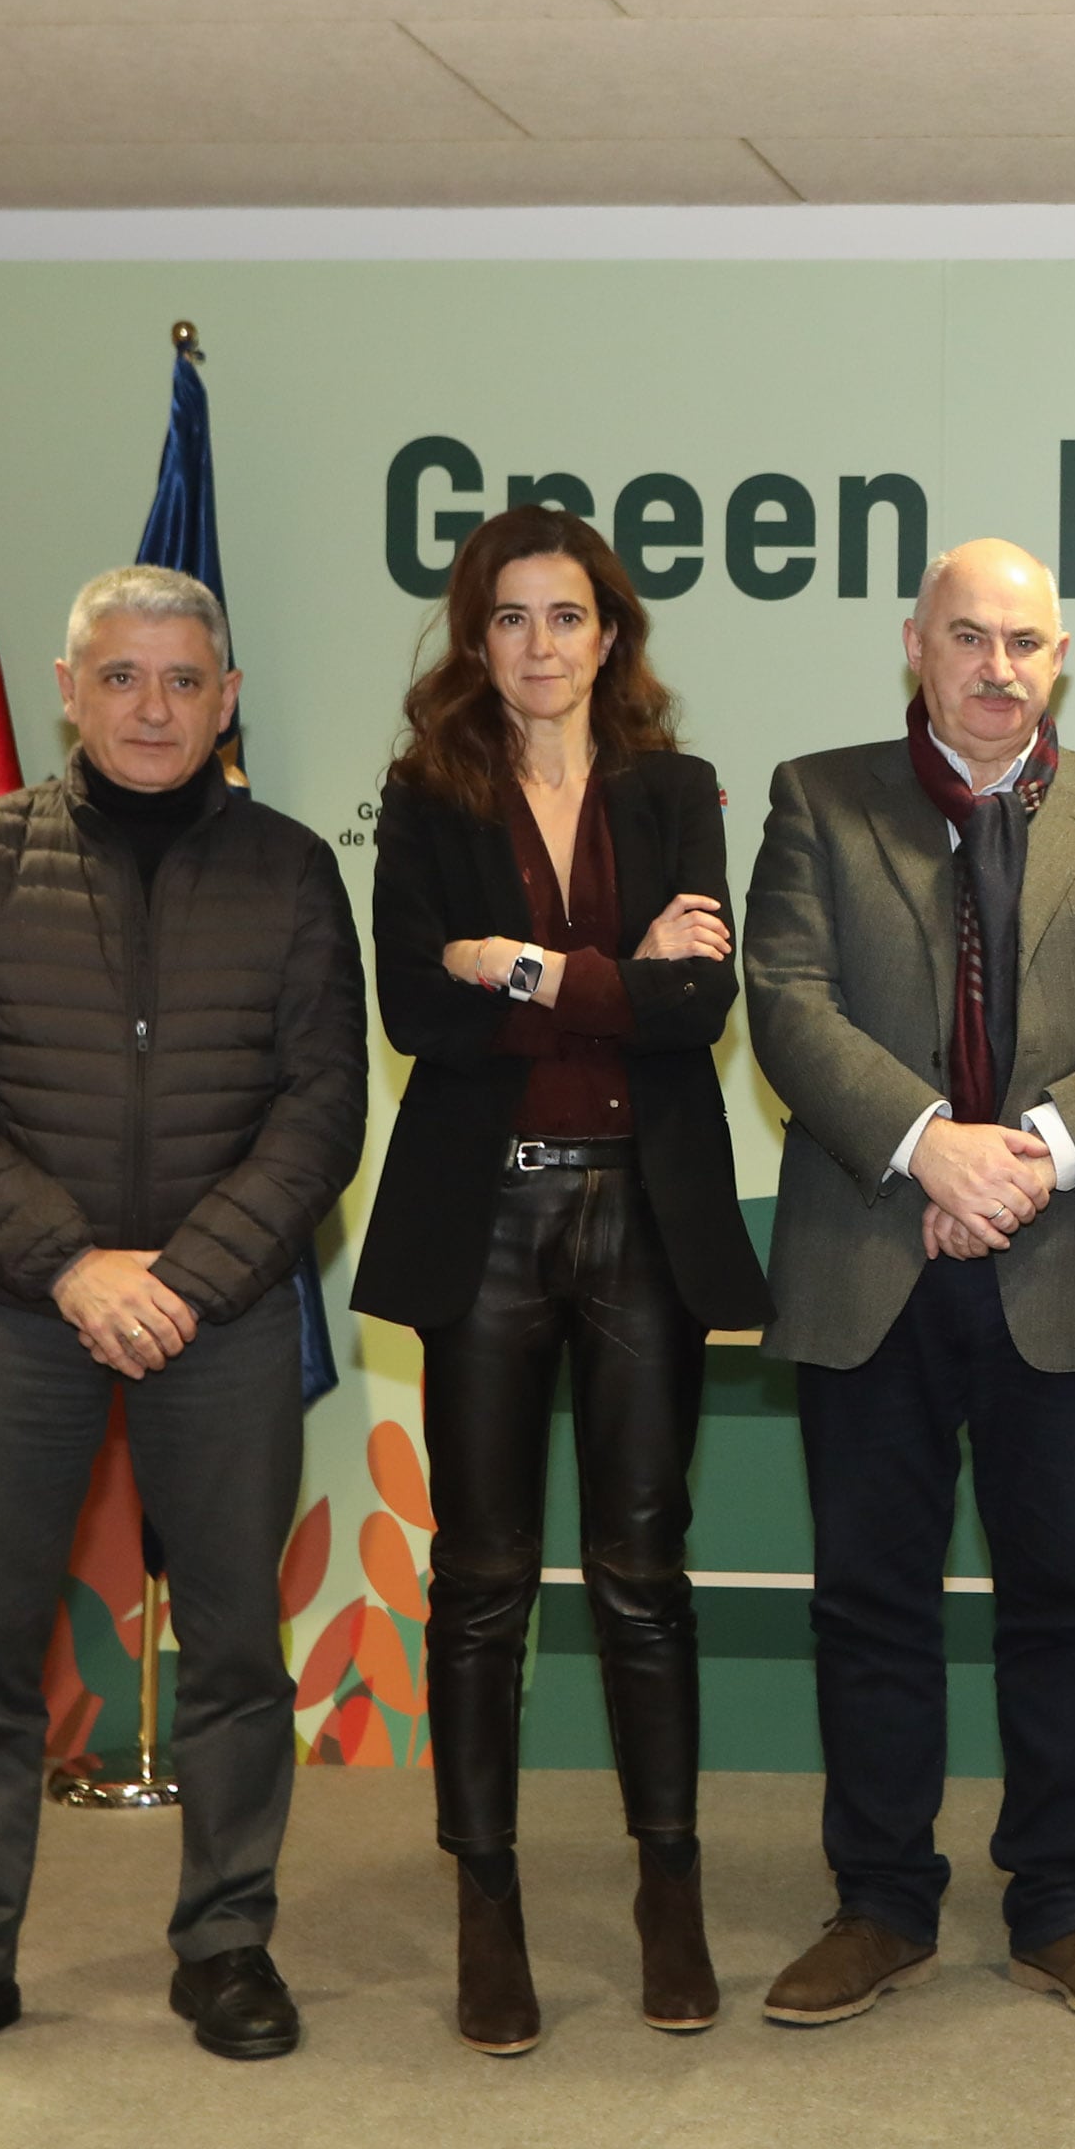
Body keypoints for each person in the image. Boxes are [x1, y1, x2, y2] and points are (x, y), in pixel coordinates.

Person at [0, 565, 365, 2082]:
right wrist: (75, 1265)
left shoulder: (287, 869)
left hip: (227, 1311)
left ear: (228, 697)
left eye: (183, 679)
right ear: (68, 690)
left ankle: (227, 1942)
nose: (153, 706)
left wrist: (188, 1273)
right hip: (22, 1307)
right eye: (121, 677)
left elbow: (321, 1105)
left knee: (233, 1645)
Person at [742, 537, 1075, 2028]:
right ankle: (879, 1901)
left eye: (1025, 640)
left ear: (1059, 656)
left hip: (1060, 1254)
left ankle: (1062, 1902)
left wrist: (1031, 1160)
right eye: (968, 636)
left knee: (1062, 1600)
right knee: (869, 1600)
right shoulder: (819, 797)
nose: (997, 665)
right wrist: (931, 1150)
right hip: (868, 1251)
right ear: (915, 645)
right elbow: (788, 1003)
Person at [350, 508, 772, 2054]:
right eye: (511, 617)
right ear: (479, 640)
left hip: (640, 1221)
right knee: (481, 1579)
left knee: (643, 1572)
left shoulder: (677, 793)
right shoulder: (425, 794)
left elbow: (695, 1004)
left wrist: (516, 966)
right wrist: (604, 976)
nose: (541, 643)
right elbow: (414, 1010)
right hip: (490, 1226)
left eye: (568, 615)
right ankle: (488, 1898)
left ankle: (672, 1887)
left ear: (612, 634)